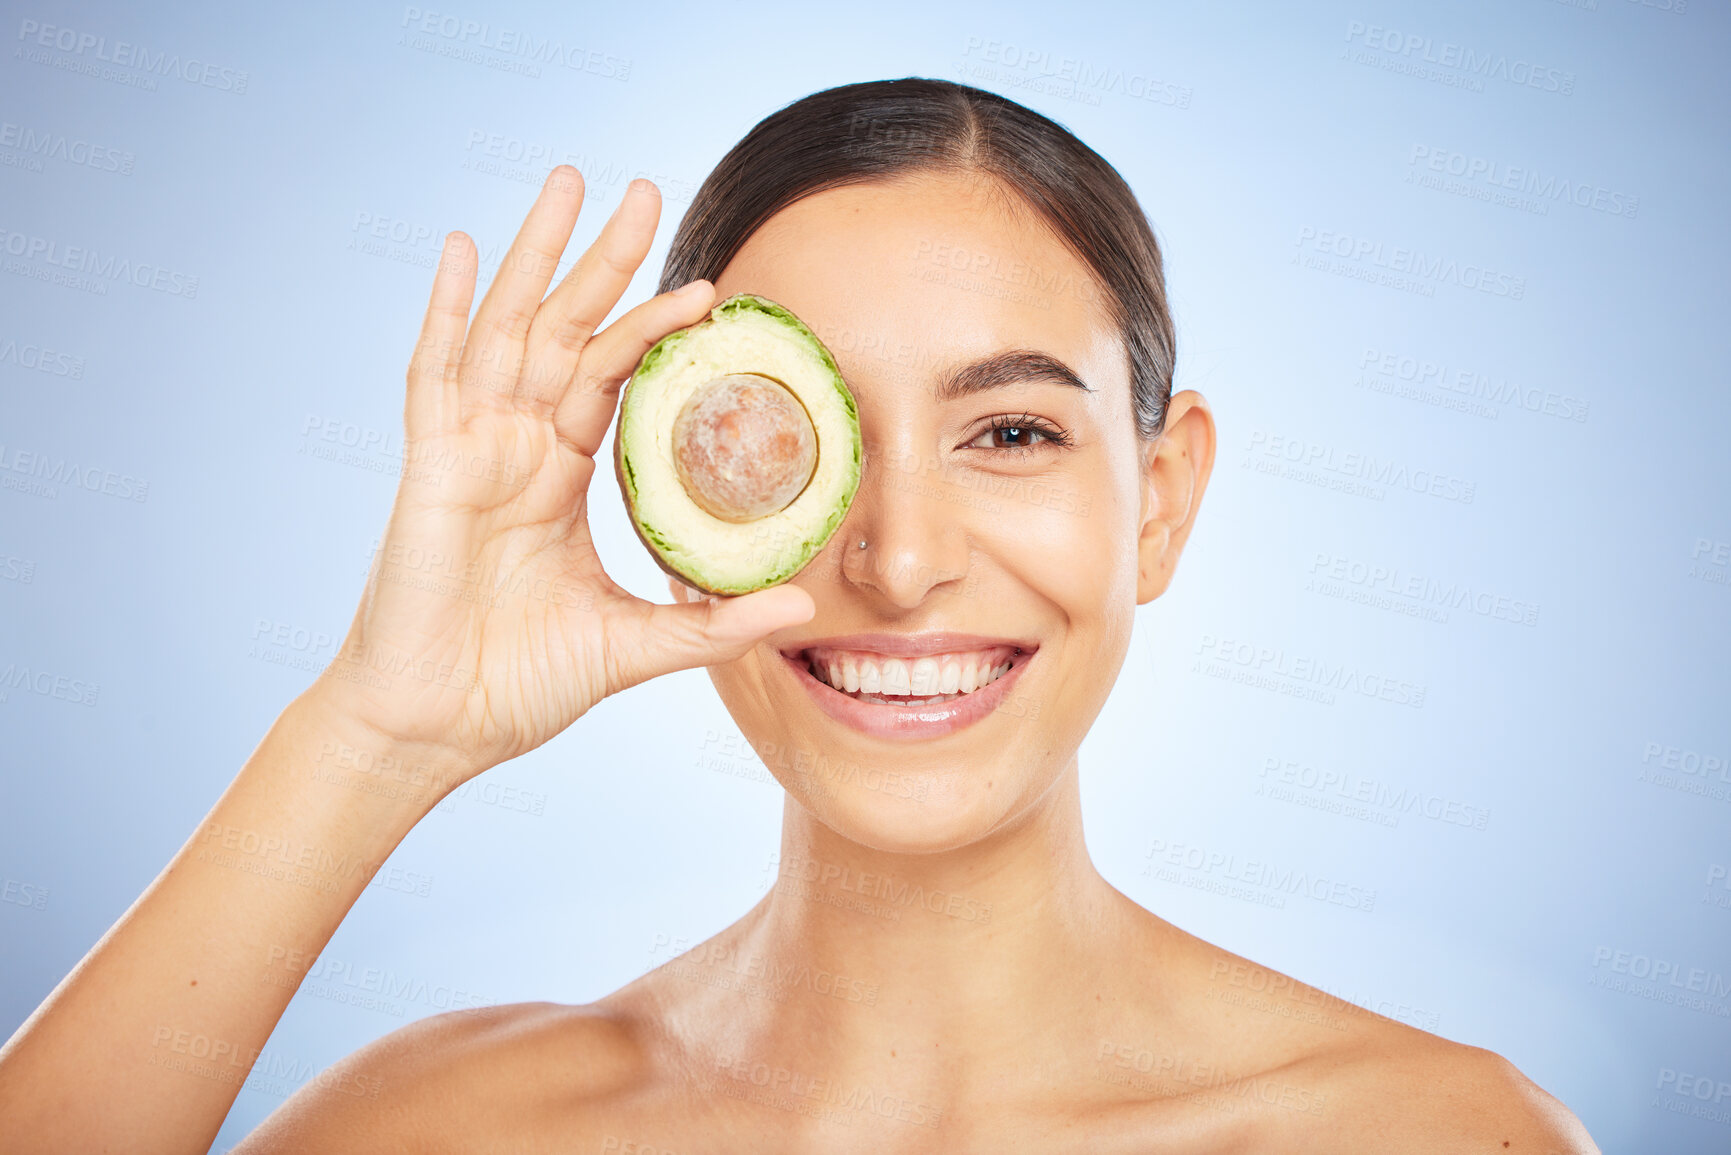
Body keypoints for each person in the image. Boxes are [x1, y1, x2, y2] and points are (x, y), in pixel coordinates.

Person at [0, 78, 1597, 1153]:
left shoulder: (1424, 1131)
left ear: (1162, 499)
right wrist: (376, 731)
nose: (899, 565)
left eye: (1013, 432)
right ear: (658, 496)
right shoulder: (446, 1126)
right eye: (783, 433)